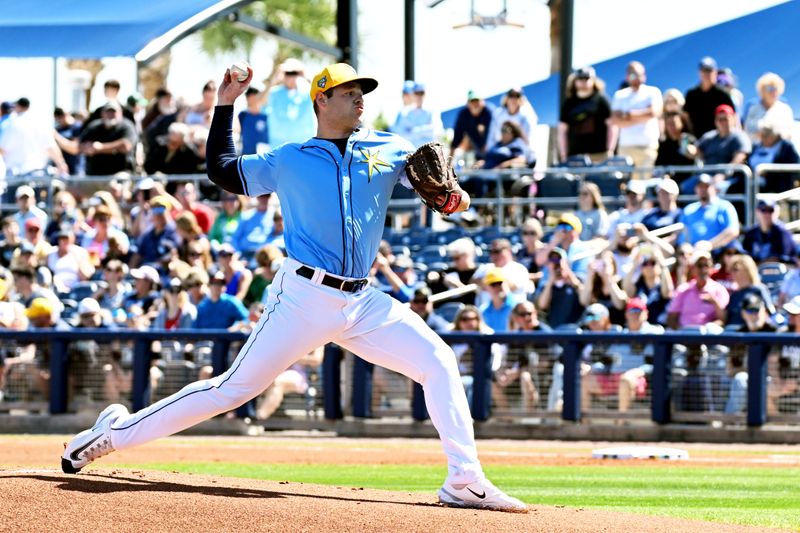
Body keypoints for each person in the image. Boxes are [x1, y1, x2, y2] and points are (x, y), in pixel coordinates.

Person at [61, 62, 525, 512]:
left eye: (362, 91)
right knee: (232, 389)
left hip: (362, 300)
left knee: (437, 360)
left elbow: (435, 184)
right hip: (303, 297)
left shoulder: (389, 147)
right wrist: (226, 104)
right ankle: (113, 434)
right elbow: (222, 169)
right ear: (321, 100)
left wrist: (453, 195)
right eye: (348, 92)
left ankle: (464, 479)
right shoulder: (290, 158)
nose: (359, 98)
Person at [610, 61, 663, 174]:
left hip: (647, 147)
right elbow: (615, 120)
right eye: (634, 74)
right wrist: (643, 115)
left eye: (641, 74)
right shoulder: (619, 95)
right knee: (625, 185)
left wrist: (627, 115)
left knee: (643, 185)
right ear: (627, 76)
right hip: (625, 147)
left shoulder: (653, 92)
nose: (638, 78)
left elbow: (654, 112)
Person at [557, 66, 616, 164]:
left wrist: (610, 150)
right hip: (574, 156)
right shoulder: (569, 103)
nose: (583, 82)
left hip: (599, 154)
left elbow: (612, 126)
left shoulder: (601, 100)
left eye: (586, 79)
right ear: (575, 81)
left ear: (593, 80)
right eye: (580, 79)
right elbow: (562, 130)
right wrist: (563, 155)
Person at [0, 97, 68, 176]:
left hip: (16, 176)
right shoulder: (41, 123)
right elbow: (51, 147)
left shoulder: (13, 124)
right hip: (38, 174)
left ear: (18, 106)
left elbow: (2, 149)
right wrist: (61, 164)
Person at [666, 250, 728, 329]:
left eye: (706, 265)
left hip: (709, 338)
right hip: (684, 336)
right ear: (693, 268)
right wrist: (682, 333)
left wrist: (714, 302)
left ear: (711, 268)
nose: (703, 270)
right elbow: (671, 318)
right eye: (699, 265)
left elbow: (723, 319)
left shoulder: (719, 290)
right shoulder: (683, 289)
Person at [678, 173, 739, 252]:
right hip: (691, 255)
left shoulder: (725, 206)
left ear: (714, 188)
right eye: (700, 187)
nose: (703, 189)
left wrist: (710, 245)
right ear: (696, 189)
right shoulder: (689, 209)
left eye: (706, 186)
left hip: (717, 255)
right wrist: (686, 248)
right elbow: (680, 234)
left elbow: (733, 231)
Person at [264, 58, 316, 148]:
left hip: (303, 146)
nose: (290, 76)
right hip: (278, 147)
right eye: (288, 73)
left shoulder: (307, 92)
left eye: (294, 73)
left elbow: (320, 97)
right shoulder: (274, 92)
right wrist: (273, 81)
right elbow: (259, 104)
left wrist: (306, 77)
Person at [78, 101, 137, 176]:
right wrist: (114, 148)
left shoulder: (127, 126)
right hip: (94, 174)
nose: (110, 115)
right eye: (108, 112)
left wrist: (101, 147)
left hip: (120, 172)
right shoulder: (94, 126)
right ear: (102, 114)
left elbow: (125, 146)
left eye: (113, 112)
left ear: (120, 113)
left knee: (116, 187)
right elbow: (80, 146)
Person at [683, 56, 735, 138]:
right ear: (699, 73)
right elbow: (686, 117)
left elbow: (733, 115)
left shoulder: (723, 94)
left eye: (710, 70)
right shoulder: (691, 95)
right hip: (698, 140)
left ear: (715, 72)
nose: (707, 74)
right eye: (704, 70)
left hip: (720, 139)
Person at [748, 120, 800, 194]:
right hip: (753, 184)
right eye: (761, 135)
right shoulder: (756, 146)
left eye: (766, 135)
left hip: (776, 188)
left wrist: (768, 173)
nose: (763, 138)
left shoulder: (786, 147)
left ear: (775, 135)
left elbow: (794, 168)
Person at [741, 72, 794, 144]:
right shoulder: (753, 109)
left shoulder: (785, 109)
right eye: (770, 88)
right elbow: (747, 132)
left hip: (779, 149)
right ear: (762, 90)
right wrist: (759, 135)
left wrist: (775, 135)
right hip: (757, 149)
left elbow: (789, 133)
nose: (773, 92)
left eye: (776, 88)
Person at [724, 254, 776, 327]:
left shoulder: (759, 290)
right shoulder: (734, 295)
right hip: (732, 333)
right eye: (731, 270)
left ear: (747, 269)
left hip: (751, 335)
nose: (732, 273)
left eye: (736, 269)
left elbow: (770, 314)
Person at [742, 199, 795, 264]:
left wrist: (758, 265)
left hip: (778, 271)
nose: (767, 214)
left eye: (771, 210)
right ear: (757, 212)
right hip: (755, 271)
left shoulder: (783, 233)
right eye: (763, 210)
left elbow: (782, 260)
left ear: (777, 212)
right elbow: (745, 257)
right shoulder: (751, 233)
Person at [391, 82, 442, 148]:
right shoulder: (407, 113)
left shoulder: (432, 112)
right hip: (412, 153)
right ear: (413, 95)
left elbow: (435, 130)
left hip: (429, 153)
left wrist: (413, 130)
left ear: (425, 94)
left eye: (421, 93)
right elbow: (401, 134)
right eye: (416, 93)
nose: (419, 96)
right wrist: (424, 132)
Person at [487, 87, 537, 151]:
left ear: (521, 99)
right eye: (511, 96)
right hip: (497, 148)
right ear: (506, 98)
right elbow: (491, 135)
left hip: (516, 150)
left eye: (517, 96)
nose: (514, 99)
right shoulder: (498, 113)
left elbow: (527, 141)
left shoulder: (526, 117)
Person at [450, 90, 494, 162]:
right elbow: (457, 137)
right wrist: (449, 162)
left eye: (477, 101)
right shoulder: (463, 115)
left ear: (483, 102)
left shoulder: (490, 112)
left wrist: (487, 159)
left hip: (494, 152)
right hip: (478, 154)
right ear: (468, 104)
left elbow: (494, 135)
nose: (475, 104)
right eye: (472, 101)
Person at [238, 86, 269, 155]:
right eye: (247, 97)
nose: (248, 100)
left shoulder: (266, 116)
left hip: (263, 158)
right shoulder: (242, 115)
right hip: (246, 157)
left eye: (252, 97)